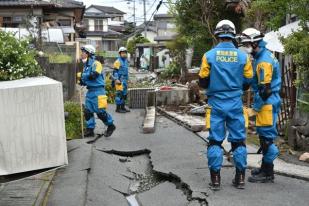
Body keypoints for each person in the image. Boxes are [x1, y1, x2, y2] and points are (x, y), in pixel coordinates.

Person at [198, 20, 253, 190]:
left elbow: (203, 82)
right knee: (238, 142)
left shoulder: (208, 55)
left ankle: (215, 180)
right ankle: (240, 178)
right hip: (236, 104)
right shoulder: (244, 56)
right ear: (233, 35)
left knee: (215, 141)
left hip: (216, 104)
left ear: (217, 35)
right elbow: (247, 82)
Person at [240, 28, 281, 183]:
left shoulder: (263, 61)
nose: (245, 46)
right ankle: (265, 168)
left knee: (267, 139)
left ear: (255, 42)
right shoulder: (262, 55)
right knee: (264, 136)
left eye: (247, 43)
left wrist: (255, 108)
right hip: (269, 102)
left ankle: (268, 173)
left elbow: (265, 90)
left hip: (267, 103)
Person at [78, 45, 116, 137]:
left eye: (83, 52)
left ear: (89, 53)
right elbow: (85, 80)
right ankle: (90, 129)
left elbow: (93, 75)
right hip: (90, 91)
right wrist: (81, 81)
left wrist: (83, 75)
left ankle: (110, 125)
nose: (81, 54)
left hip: (98, 91)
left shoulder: (96, 64)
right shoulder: (86, 66)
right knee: (87, 111)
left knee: (100, 113)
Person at [113, 47, 130, 113]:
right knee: (119, 94)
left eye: (125, 53)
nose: (124, 54)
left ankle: (123, 107)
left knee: (124, 94)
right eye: (122, 53)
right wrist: (116, 79)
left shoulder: (125, 61)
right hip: (119, 80)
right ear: (120, 54)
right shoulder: (117, 61)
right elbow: (115, 71)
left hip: (125, 80)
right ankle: (118, 108)